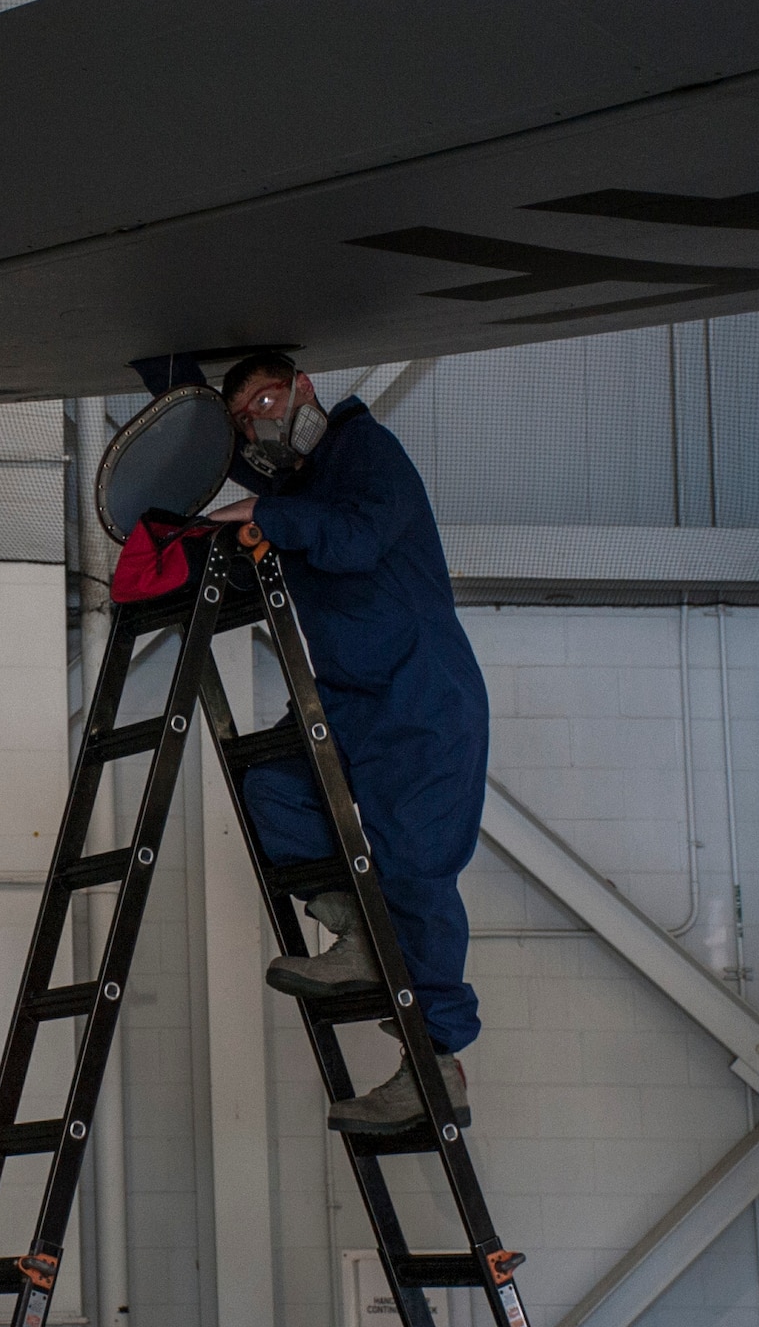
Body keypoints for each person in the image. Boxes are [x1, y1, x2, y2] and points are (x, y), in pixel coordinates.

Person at [203, 350, 488, 1135]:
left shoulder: (365, 453)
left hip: (420, 697)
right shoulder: (295, 481)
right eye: (242, 419)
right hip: (348, 697)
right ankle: (356, 930)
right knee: (270, 788)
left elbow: (357, 537)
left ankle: (434, 1064)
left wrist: (263, 518)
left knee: (419, 871)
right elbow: (223, 462)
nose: (258, 422)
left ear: (304, 388)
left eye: (265, 399)